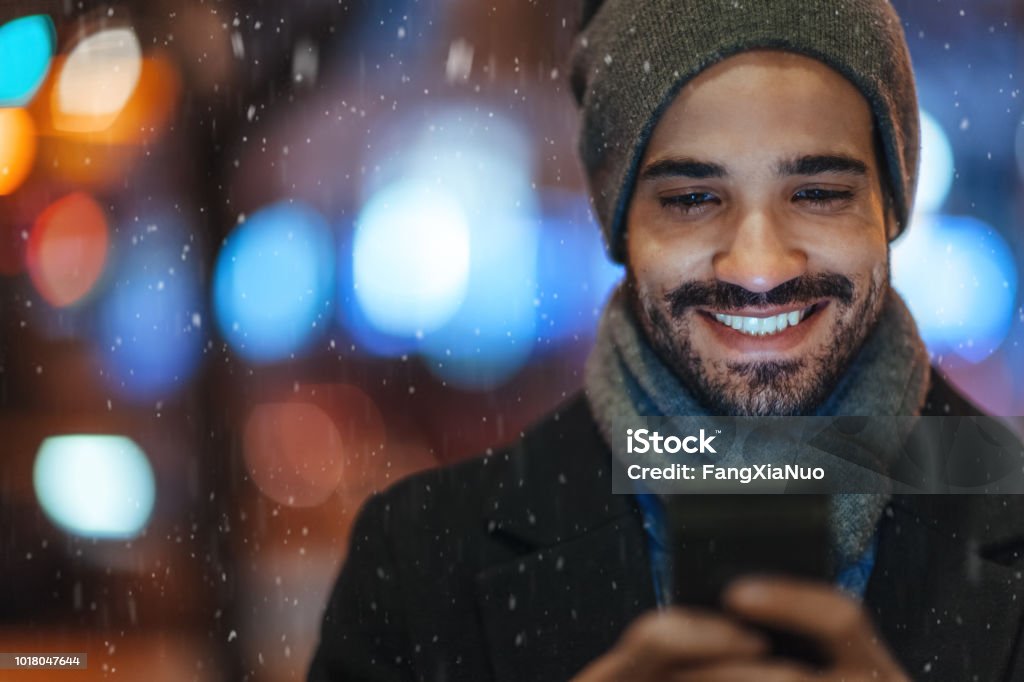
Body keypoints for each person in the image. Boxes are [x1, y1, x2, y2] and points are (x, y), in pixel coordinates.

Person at [309, 1, 1024, 680]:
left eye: (818, 193)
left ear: (890, 207)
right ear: (619, 225)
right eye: (691, 200)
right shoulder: (417, 561)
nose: (758, 268)